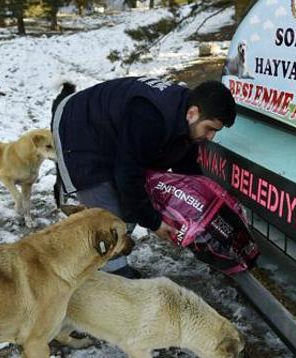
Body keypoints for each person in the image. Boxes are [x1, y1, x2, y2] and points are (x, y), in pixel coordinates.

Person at [50, 76, 236, 278]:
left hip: (112, 132)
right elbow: (128, 174)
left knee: (130, 208)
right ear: (193, 113)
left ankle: (112, 252)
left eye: (215, 131)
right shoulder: (151, 116)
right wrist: (154, 223)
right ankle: (112, 277)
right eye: (209, 129)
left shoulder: (186, 116)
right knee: (106, 215)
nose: (210, 137)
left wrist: (204, 209)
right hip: (79, 128)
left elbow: (186, 172)